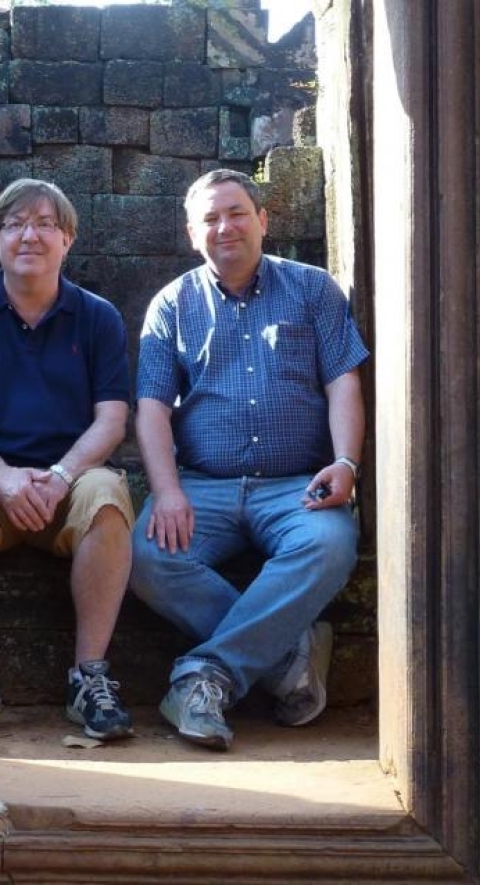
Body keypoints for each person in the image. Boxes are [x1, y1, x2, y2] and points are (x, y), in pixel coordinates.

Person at [130, 168, 368, 751]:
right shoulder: (172, 304)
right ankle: (290, 655)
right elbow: (152, 410)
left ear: (263, 221)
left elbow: (344, 383)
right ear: (192, 233)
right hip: (203, 487)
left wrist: (346, 463)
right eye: (209, 218)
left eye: (236, 213)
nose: (224, 227)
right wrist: (167, 492)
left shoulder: (314, 290)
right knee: (143, 556)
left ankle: (204, 677)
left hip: (298, 486)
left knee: (331, 545)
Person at [0, 178, 135, 741]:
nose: (29, 235)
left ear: (68, 239)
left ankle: (89, 677)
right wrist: (4, 478)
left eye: (45, 223)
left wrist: (61, 476)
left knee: (110, 497)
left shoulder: (98, 318)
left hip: (70, 482)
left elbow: (111, 420)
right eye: (15, 224)